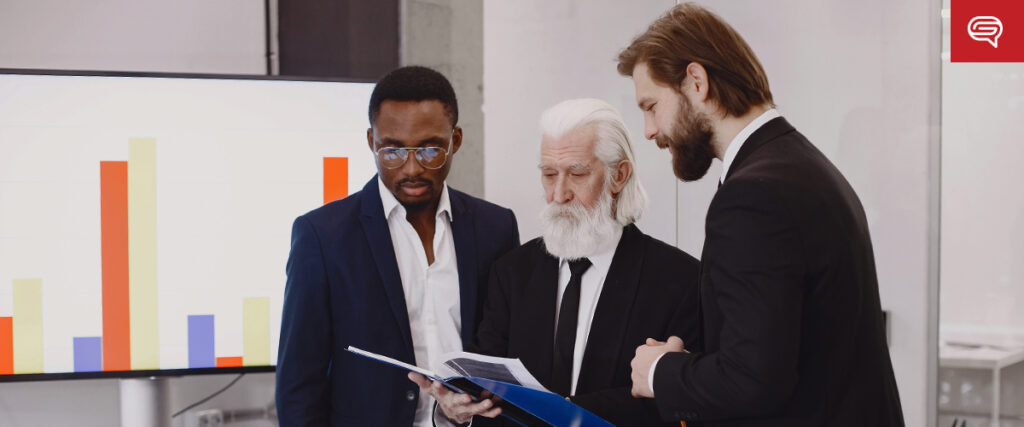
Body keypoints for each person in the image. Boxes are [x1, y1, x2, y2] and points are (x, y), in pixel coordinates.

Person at [618, 3, 905, 426]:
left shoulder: (752, 198)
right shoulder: (801, 164)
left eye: (651, 105)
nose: (648, 130)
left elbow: (752, 382)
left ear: (696, 82)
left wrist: (659, 371)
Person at [410, 98, 701, 426]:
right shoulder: (512, 272)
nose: (558, 194)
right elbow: (484, 386)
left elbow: (681, 403)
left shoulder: (680, 280)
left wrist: (565, 412)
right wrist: (455, 406)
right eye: (549, 174)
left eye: (577, 173)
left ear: (619, 176)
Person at [276, 66, 521, 427]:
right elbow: (299, 382)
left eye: (430, 150)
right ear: (371, 141)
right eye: (392, 150)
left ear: (455, 140)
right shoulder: (322, 236)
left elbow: (505, 356)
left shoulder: (495, 228)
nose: (411, 169)